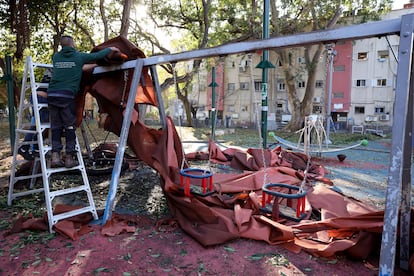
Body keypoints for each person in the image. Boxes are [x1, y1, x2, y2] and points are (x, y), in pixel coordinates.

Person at [47, 35, 119, 168]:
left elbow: (73, 68)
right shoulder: (79, 56)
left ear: (62, 46)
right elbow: (99, 55)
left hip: (52, 94)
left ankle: (55, 156)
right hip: (66, 95)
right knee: (69, 126)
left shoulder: (56, 57)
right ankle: (69, 158)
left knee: (56, 126)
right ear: (72, 44)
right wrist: (111, 49)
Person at [18, 71, 52, 160]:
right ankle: (24, 147)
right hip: (40, 98)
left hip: (40, 97)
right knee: (39, 125)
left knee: (39, 124)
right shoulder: (56, 70)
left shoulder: (55, 69)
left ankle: (35, 149)